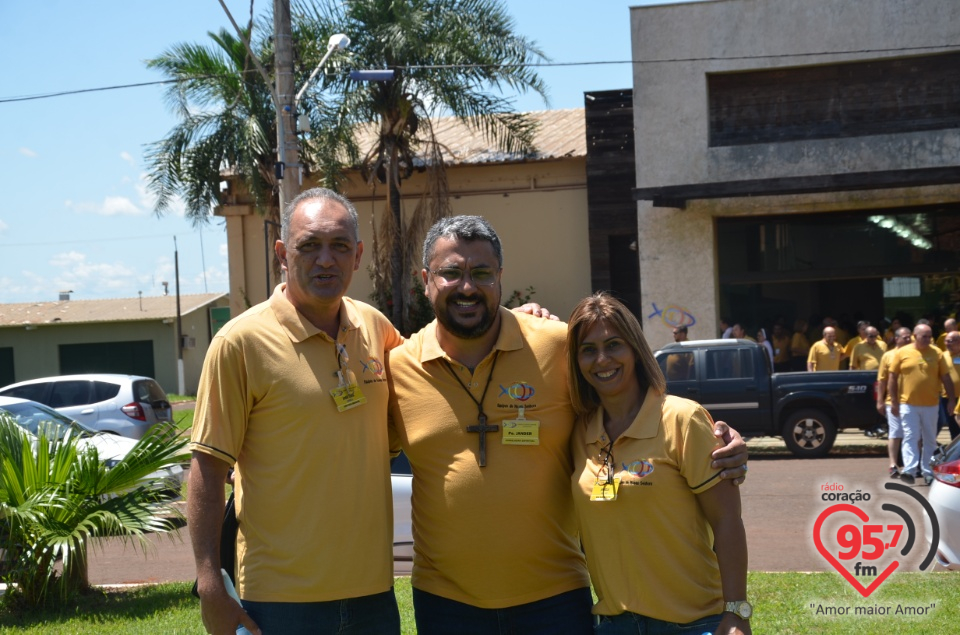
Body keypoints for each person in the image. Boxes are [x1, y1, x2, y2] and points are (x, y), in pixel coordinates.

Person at [386, 215, 748, 635]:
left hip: (554, 600)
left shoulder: (557, 344)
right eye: (451, 273)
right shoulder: (398, 368)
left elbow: (628, 398)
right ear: (426, 279)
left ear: (500, 278)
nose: (467, 287)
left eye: (481, 273)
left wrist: (720, 436)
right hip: (445, 603)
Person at [188, 188, 405, 635]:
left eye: (340, 246)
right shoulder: (239, 343)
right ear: (283, 254)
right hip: (280, 601)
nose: (326, 259)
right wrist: (210, 583)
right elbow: (208, 468)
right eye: (310, 246)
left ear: (358, 255)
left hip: (374, 596)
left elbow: (437, 367)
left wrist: (516, 319)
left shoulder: (375, 327)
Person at [567, 293, 751, 635]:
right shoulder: (578, 432)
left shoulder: (682, 418)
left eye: (613, 345)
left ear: (635, 348)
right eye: (588, 349)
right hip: (613, 625)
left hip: (694, 624)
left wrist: (737, 612)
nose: (602, 359)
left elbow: (727, 521)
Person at [889, 324, 957, 485]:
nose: (927, 339)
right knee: (911, 437)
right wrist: (893, 401)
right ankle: (909, 471)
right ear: (915, 336)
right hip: (908, 404)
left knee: (930, 439)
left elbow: (946, 377)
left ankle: (928, 472)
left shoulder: (937, 352)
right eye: (924, 336)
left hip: (931, 404)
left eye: (929, 336)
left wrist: (952, 399)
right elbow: (892, 377)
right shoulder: (902, 352)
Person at [876, 327, 912, 478]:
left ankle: (911, 466)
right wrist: (880, 401)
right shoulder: (888, 356)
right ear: (896, 339)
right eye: (905, 337)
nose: (909, 340)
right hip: (893, 401)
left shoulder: (914, 353)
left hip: (911, 400)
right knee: (895, 433)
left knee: (912, 435)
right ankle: (893, 465)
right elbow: (882, 381)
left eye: (910, 337)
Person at [941, 332, 960, 440]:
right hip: (948, 398)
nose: (947, 343)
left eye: (950, 341)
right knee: (953, 428)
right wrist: (951, 400)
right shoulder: (942, 356)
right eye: (946, 341)